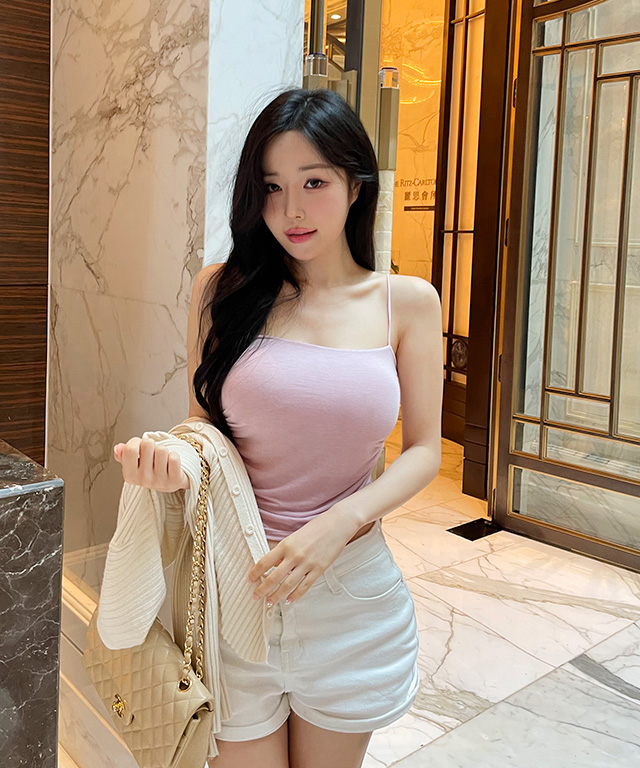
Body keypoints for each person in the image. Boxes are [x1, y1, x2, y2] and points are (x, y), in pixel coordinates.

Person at [114, 87, 442, 768]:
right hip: (235, 592)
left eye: (314, 182)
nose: (291, 209)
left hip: (350, 599)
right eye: (271, 187)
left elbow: (424, 450)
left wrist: (339, 523)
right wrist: (171, 463)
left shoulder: (406, 303)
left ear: (356, 185)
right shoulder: (220, 291)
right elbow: (205, 430)